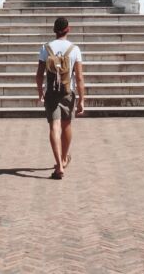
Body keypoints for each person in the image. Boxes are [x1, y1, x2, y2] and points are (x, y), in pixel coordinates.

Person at [36, 16, 85, 180]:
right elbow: (78, 77)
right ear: (68, 29)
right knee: (66, 126)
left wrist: (39, 92)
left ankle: (59, 165)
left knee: (54, 127)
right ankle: (63, 159)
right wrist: (82, 99)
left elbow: (39, 74)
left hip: (51, 92)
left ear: (54, 30)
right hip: (67, 92)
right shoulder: (74, 49)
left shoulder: (46, 48)